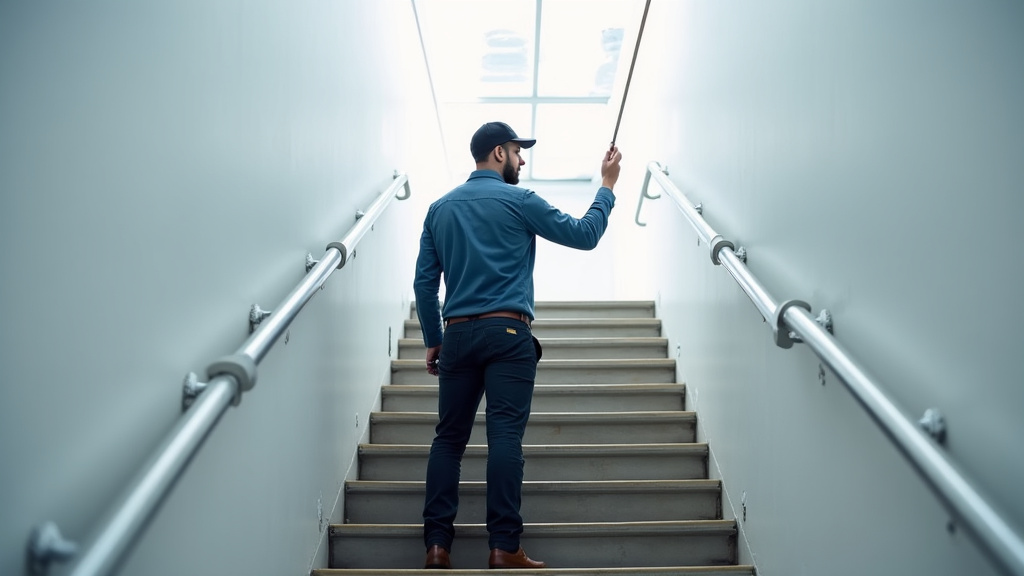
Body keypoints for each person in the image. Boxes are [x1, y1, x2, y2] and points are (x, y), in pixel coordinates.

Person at [413, 121, 622, 569]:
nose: (521, 159)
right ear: (498, 153)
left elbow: (424, 285)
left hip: (457, 336)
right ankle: (503, 547)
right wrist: (606, 186)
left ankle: (437, 547)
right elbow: (585, 234)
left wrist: (434, 340)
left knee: (448, 440)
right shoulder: (520, 201)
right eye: (516, 151)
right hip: (508, 334)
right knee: (505, 436)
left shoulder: (438, 210)